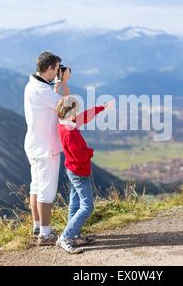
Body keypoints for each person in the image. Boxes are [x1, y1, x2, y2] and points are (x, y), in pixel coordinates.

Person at [55, 96, 113, 254]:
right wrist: (90, 152)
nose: (78, 113)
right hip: (79, 171)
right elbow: (79, 156)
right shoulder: (70, 132)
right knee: (87, 207)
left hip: (72, 170)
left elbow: (85, 116)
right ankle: (65, 237)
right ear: (71, 111)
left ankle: (74, 234)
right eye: (76, 110)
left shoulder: (66, 123)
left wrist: (101, 108)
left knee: (75, 204)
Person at [23, 51, 70, 246]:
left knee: (36, 187)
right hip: (46, 148)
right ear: (50, 68)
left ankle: (37, 227)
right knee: (47, 191)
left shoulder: (34, 85)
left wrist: (56, 88)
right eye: (58, 68)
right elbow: (68, 109)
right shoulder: (43, 91)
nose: (60, 71)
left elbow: (52, 104)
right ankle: (45, 234)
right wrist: (65, 84)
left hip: (34, 144)